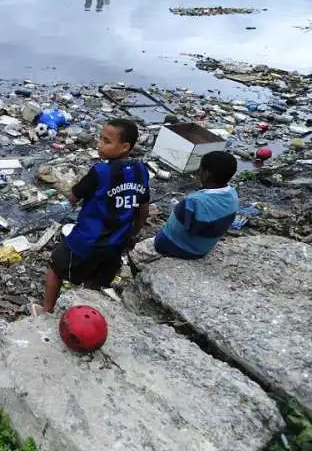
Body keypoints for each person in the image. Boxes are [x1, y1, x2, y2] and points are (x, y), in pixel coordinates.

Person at [43, 119, 150, 313]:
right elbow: (143, 207)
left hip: (87, 240)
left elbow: (74, 197)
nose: (99, 144)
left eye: (107, 141)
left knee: (54, 268)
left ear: (125, 146)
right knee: (94, 282)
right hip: (117, 243)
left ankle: (47, 311)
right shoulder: (141, 170)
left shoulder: (101, 171)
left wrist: (61, 184)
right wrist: (134, 232)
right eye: (100, 138)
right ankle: (82, 312)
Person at [154, 151, 238, 259]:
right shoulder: (233, 195)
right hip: (203, 248)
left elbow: (189, 229)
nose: (198, 173)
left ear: (207, 174)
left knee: (157, 239)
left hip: (181, 248)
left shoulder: (195, 202)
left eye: (200, 170)